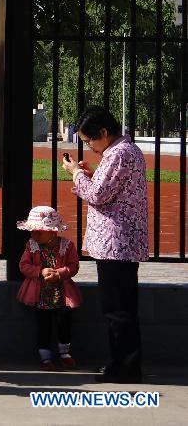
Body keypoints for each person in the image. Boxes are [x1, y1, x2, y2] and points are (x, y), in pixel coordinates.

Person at [61, 105, 147, 383]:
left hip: (116, 243)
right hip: (119, 242)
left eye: (89, 141)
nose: (90, 147)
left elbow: (98, 194)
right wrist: (87, 174)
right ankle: (121, 364)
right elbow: (106, 188)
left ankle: (124, 367)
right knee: (120, 308)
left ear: (104, 132)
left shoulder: (119, 153)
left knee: (117, 310)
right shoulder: (122, 151)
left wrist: (75, 173)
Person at [16, 206, 82, 371]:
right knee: (43, 324)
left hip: (62, 293)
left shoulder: (67, 246)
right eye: (32, 231)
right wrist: (40, 271)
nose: (34, 235)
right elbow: (23, 265)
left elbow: (73, 266)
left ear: (52, 232)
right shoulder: (32, 246)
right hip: (40, 294)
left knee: (64, 322)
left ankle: (65, 353)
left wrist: (60, 273)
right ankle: (45, 357)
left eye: (39, 232)